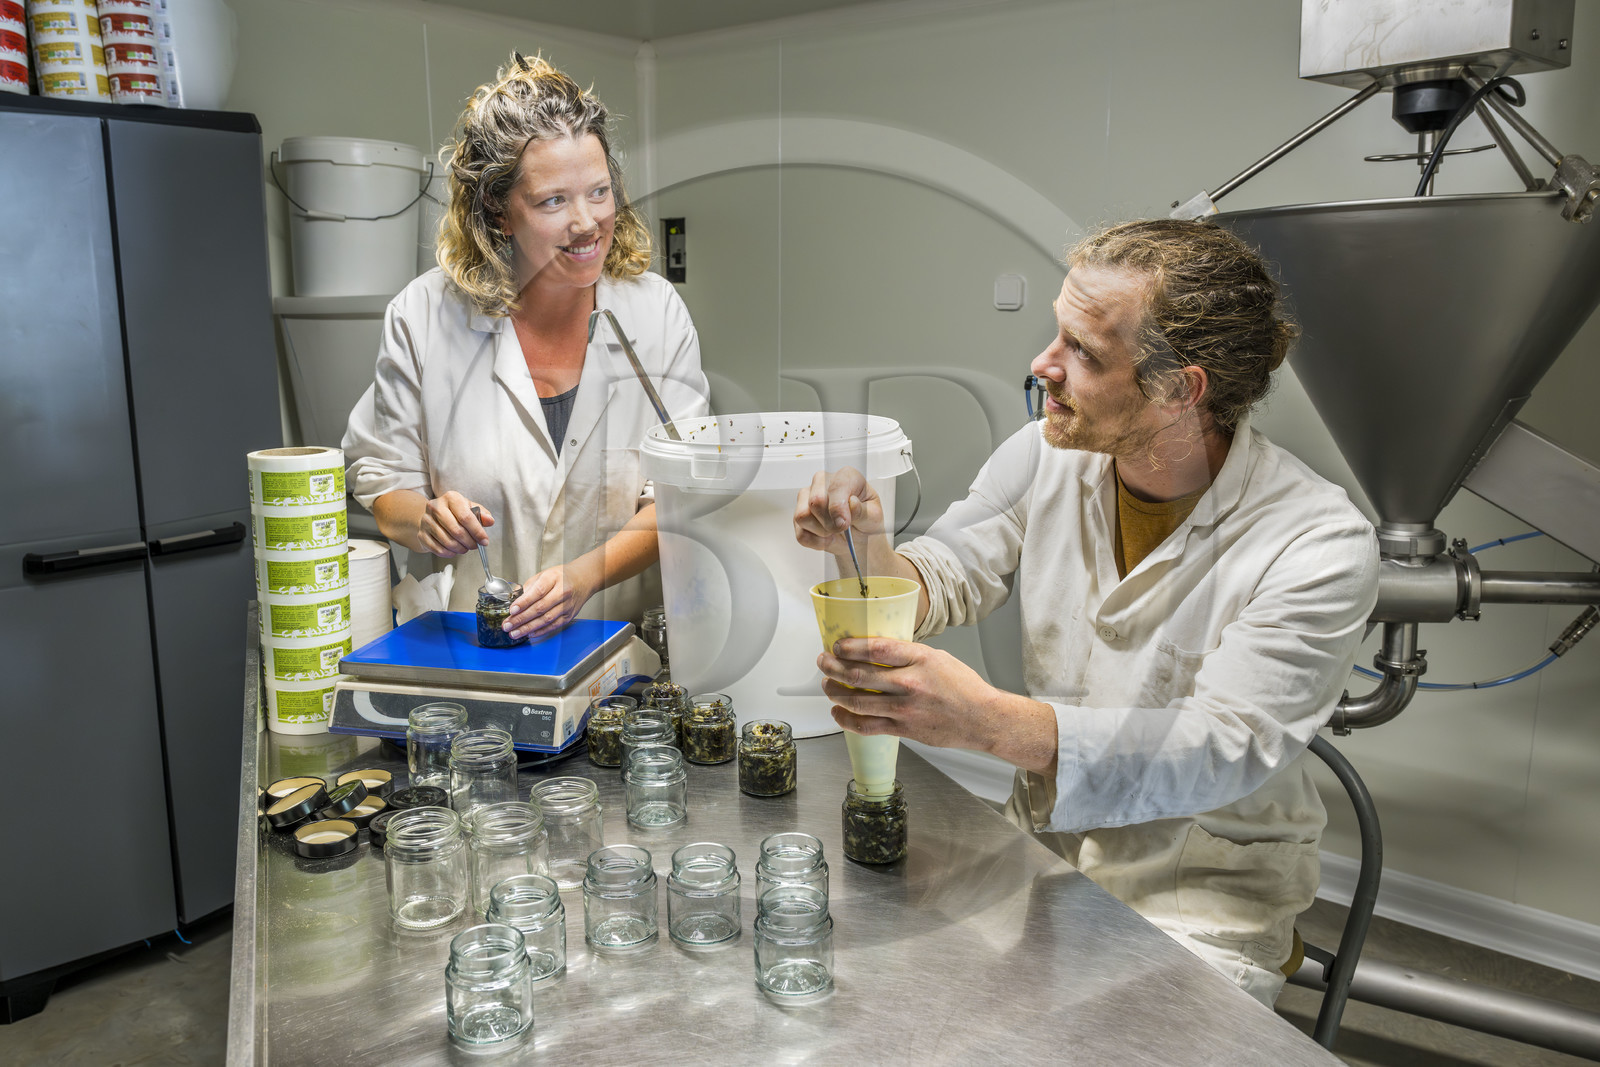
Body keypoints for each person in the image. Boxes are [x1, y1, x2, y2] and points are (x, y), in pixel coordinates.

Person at [793, 219, 1380, 1007]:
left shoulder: (1316, 541)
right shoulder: (1046, 452)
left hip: (1202, 897)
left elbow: (1221, 747)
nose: (1044, 366)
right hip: (1042, 849)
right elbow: (949, 572)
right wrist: (868, 545)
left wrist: (988, 722)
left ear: (1182, 389)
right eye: (1055, 335)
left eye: (1084, 352)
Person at [345, 54, 709, 637]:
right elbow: (384, 481)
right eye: (553, 202)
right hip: (471, 648)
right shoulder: (424, 317)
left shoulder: (655, 313)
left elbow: (683, 495)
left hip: (622, 653)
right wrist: (427, 520)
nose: (588, 222)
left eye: (599, 191)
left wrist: (587, 575)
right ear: (498, 212)